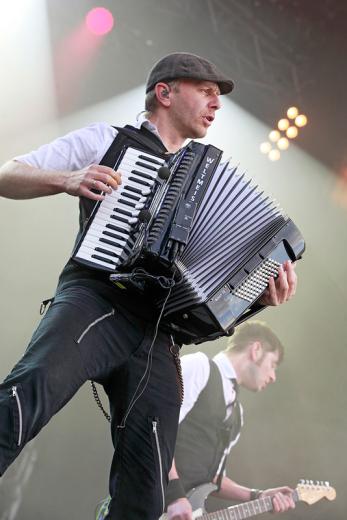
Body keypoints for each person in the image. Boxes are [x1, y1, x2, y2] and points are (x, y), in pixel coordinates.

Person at [0, 52, 297, 520]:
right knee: (24, 398)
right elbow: (7, 173)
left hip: (158, 335)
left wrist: (258, 296)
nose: (216, 104)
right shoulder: (109, 140)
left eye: (218, 98)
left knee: (149, 488)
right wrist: (68, 178)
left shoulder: (210, 178)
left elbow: (210, 305)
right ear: (165, 92)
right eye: (206, 91)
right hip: (96, 299)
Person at [166, 321, 295, 519]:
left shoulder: (237, 415)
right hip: (152, 504)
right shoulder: (200, 367)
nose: (273, 376)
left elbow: (210, 477)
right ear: (256, 350)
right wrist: (175, 496)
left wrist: (257, 495)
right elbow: (155, 432)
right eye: (272, 365)